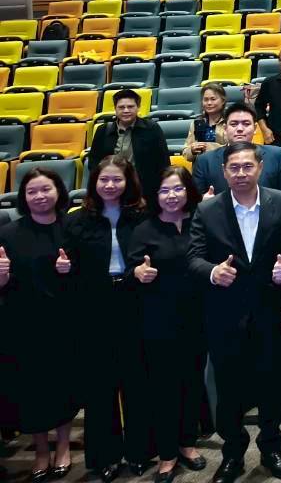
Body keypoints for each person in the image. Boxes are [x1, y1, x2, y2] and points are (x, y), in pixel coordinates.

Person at [188, 141, 281, 483]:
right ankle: (233, 453)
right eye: (233, 167)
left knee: (272, 385)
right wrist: (212, 272)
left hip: (270, 310)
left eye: (247, 166)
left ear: (260, 167)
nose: (241, 173)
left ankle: (271, 447)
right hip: (225, 313)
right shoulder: (207, 209)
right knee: (229, 390)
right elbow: (193, 257)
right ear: (224, 172)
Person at [65, 156, 150, 480]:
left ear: (128, 182)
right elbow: (68, 263)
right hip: (94, 307)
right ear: (94, 182)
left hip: (134, 301)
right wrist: (64, 267)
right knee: (99, 385)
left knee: (136, 382)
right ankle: (106, 456)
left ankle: (140, 451)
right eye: (104, 180)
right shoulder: (77, 220)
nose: (110, 185)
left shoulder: (142, 216)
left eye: (117, 179)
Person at [125, 166, 207, 483]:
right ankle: (167, 453)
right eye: (164, 190)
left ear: (188, 191)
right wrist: (138, 273)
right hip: (159, 320)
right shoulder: (144, 229)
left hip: (197, 316)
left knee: (192, 382)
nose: (171, 196)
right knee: (163, 388)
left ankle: (188, 443)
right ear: (155, 195)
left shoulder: (200, 222)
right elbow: (131, 269)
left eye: (177, 188)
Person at [0, 167, 78, 480]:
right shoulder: (9, 233)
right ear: (23, 196)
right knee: (31, 389)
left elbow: (88, 278)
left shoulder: (72, 228)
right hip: (23, 322)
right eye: (32, 191)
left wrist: (69, 271)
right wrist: (1, 277)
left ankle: (63, 446)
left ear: (59, 190)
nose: (40, 196)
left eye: (46, 189)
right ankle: (41, 449)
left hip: (64, 320)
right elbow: (3, 284)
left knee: (63, 384)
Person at [87, 87, 168, 204]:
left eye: (130, 107)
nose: (126, 110)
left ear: (138, 107)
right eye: (121, 107)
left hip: (145, 191)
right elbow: (94, 162)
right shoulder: (103, 130)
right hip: (111, 188)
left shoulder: (152, 129)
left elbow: (163, 161)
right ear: (115, 109)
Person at [194, 103, 281, 197]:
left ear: (255, 128)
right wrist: (205, 202)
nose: (240, 129)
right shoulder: (205, 161)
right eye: (234, 124)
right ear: (225, 128)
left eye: (246, 124)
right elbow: (194, 201)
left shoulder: (275, 155)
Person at [182, 82, 227, 162]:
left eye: (213, 99)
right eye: (206, 99)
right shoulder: (197, 123)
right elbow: (185, 153)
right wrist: (192, 150)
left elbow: (234, 149)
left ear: (223, 101)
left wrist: (211, 147)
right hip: (200, 166)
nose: (209, 103)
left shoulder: (229, 122)